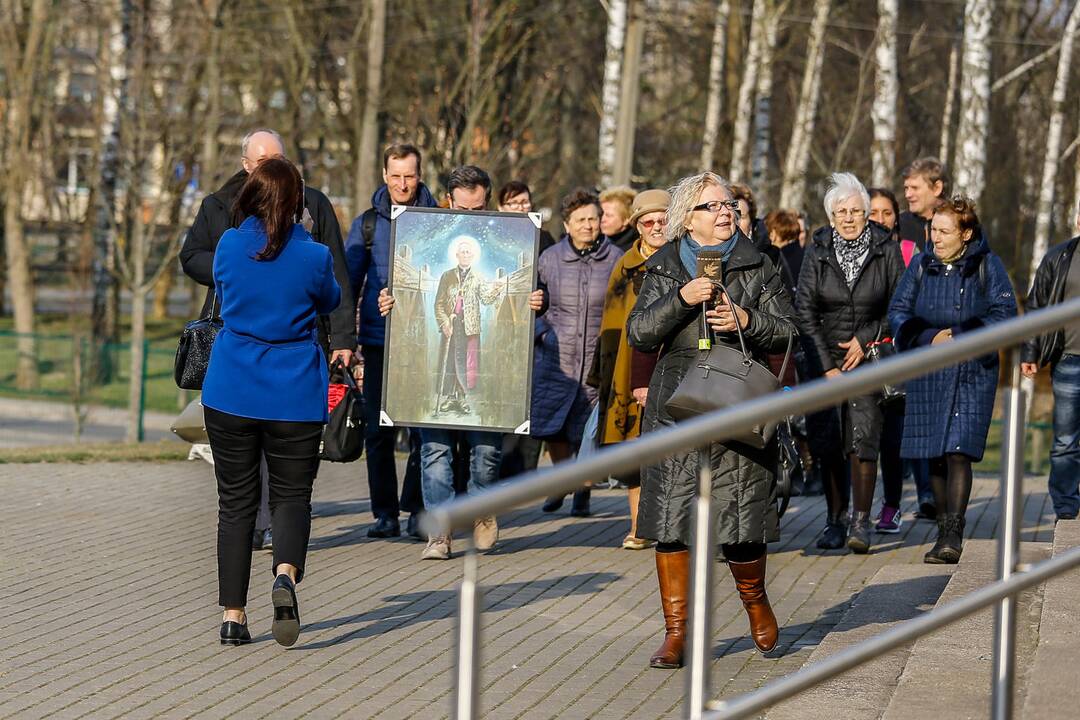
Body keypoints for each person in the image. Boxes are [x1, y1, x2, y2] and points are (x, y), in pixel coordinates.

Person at [628, 172, 796, 667]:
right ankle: (677, 633)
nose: (725, 213)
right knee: (671, 518)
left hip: (736, 393)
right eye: (712, 206)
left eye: (729, 205)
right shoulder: (663, 266)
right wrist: (683, 299)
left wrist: (746, 321)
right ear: (688, 218)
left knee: (742, 517)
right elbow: (639, 332)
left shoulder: (758, 264)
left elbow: (789, 332)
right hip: (675, 402)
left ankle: (755, 601)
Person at [180, 129, 355, 551]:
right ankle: (258, 526)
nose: (271, 168)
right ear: (246, 166)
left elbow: (335, 276)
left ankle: (275, 524)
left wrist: (345, 335)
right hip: (237, 336)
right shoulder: (219, 207)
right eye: (262, 162)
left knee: (287, 448)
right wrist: (240, 271)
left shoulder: (312, 205)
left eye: (278, 158)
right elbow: (192, 256)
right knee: (244, 445)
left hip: (294, 341)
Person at [200, 157, 340, 647]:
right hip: (294, 394)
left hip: (232, 387)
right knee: (291, 496)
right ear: (299, 203)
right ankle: (284, 575)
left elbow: (222, 288)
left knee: (235, 503)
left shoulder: (230, 245)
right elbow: (330, 300)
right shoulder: (315, 256)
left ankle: (234, 617)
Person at [380, 166, 544, 560]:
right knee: (435, 449)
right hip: (449, 340)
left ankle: (483, 513)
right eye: (463, 206)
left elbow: (497, 297)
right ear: (449, 203)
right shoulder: (446, 275)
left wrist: (533, 299)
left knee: (485, 452)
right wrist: (397, 306)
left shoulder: (496, 259)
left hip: (474, 344)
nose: (470, 214)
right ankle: (440, 531)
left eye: (479, 206)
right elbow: (435, 304)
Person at [889, 196, 1018, 563]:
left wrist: (961, 335)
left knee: (957, 450)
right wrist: (930, 338)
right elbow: (899, 311)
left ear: (966, 233)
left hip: (971, 371)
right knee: (934, 453)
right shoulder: (919, 265)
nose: (936, 237)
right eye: (933, 229)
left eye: (945, 231)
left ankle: (952, 533)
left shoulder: (986, 265)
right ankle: (944, 527)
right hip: (930, 369)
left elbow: (1004, 312)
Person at [798, 173, 904, 552]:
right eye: (841, 211)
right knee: (827, 443)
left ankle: (861, 521)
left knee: (863, 440)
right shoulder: (818, 250)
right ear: (830, 217)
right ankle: (834, 520)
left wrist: (866, 338)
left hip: (870, 359)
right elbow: (804, 310)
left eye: (856, 211)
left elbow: (899, 306)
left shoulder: (886, 249)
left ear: (866, 214)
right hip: (824, 360)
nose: (848, 218)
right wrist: (826, 366)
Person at [345, 143, 436, 541]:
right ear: (384, 175)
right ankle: (384, 513)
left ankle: (417, 509)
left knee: (422, 430)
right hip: (379, 340)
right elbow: (347, 285)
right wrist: (345, 338)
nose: (402, 183)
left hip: (428, 341)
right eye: (395, 175)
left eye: (410, 175)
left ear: (420, 176)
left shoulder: (439, 220)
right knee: (378, 431)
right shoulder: (366, 224)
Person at [535, 188, 624, 516]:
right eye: (581, 220)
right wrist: (541, 333)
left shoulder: (615, 259)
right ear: (568, 224)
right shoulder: (550, 258)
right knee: (554, 427)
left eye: (593, 218)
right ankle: (561, 480)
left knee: (587, 429)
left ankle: (582, 491)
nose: (588, 225)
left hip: (596, 359)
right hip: (556, 356)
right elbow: (534, 303)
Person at [589, 188, 669, 549]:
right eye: (647, 221)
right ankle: (638, 525)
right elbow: (612, 324)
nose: (655, 227)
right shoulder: (625, 266)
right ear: (637, 226)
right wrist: (607, 376)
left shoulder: (685, 260)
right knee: (634, 447)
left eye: (662, 220)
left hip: (673, 362)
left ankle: (670, 524)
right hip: (629, 367)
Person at [868, 186, 935, 524]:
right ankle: (867, 508)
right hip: (863, 356)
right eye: (873, 213)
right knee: (869, 438)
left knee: (898, 434)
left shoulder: (910, 251)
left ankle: (900, 504)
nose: (879, 219)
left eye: (886, 213)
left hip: (900, 353)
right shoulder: (856, 255)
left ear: (897, 218)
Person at [1022, 206, 1080, 521]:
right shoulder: (1058, 258)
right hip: (1069, 361)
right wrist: (1029, 353)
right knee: (1065, 440)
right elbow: (1036, 306)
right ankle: (1067, 507)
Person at [897, 157, 947, 251]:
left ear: (937, 188)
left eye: (915, 188)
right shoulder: (899, 225)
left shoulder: (960, 225)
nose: (908, 195)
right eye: (906, 188)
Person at [498, 180, 556, 257]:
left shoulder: (543, 238)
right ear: (500, 207)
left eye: (525, 202)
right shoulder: (494, 236)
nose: (520, 207)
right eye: (514, 203)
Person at [600, 186, 639, 252]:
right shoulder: (595, 242)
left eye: (609, 215)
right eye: (601, 214)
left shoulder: (635, 249)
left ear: (627, 219)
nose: (602, 220)